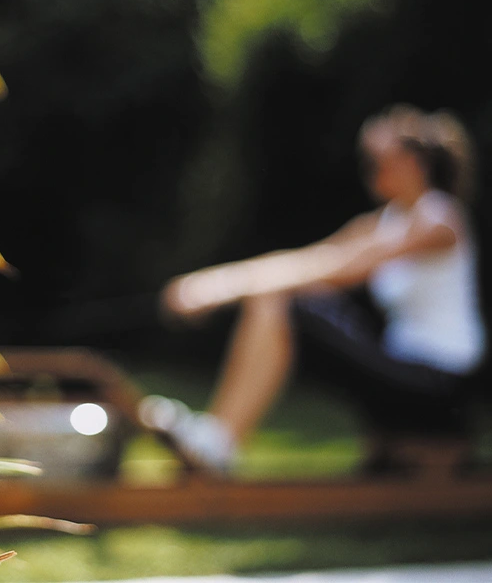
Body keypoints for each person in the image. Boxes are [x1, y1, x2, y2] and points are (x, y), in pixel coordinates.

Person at [140, 104, 487, 474]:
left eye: (380, 159)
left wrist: (221, 287)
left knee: (284, 301)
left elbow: (340, 268)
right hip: (403, 369)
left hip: (439, 383)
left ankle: (217, 442)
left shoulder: (439, 217)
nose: (370, 168)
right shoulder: (383, 221)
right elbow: (307, 259)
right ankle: (215, 437)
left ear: (414, 163)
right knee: (276, 299)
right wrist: (208, 281)